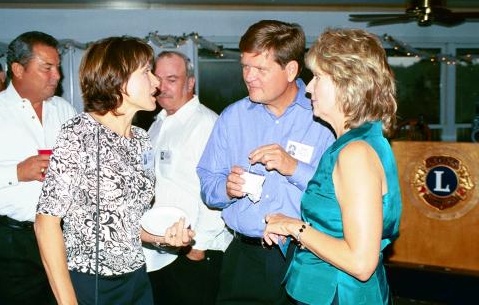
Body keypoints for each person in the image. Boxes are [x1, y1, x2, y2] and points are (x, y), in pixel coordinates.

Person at [34, 36, 194, 305]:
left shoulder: (142, 140)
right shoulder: (79, 133)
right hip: (89, 284)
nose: (156, 82)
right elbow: (45, 224)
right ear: (118, 79)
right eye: (146, 72)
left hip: (136, 280)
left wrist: (163, 238)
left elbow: (128, 224)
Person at [197, 20, 335, 304]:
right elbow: (208, 182)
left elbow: (339, 194)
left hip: (308, 257)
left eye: (260, 69)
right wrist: (226, 188)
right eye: (245, 66)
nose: (249, 76)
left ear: (291, 70)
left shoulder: (324, 119)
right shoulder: (232, 117)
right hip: (246, 260)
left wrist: (294, 167)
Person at [263, 28, 402, 304]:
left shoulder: (356, 153)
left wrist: (294, 227)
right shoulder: (355, 143)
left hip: (339, 295)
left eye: (317, 77)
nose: (309, 88)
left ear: (346, 82)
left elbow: (361, 264)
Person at [144, 51, 232, 304]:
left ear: (190, 83)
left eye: (172, 79)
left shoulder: (206, 123)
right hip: (159, 252)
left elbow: (217, 188)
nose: (162, 87)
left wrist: (198, 246)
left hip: (192, 254)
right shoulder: (156, 124)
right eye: (157, 79)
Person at [0, 31, 76, 305]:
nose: (57, 75)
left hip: (63, 235)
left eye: (57, 67)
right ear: (18, 69)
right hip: (12, 243)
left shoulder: (64, 110)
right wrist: (17, 173)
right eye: (47, 68)